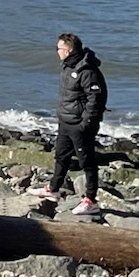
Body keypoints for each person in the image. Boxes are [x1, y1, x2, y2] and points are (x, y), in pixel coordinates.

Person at [31, 32, 107, 216]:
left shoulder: (87, 70)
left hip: (80, 124)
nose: (57, 51)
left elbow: (96, 98)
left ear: (68, 50)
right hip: (65, 120)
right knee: (61, 156)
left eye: (58, 48)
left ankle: (90, 200)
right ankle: (53, 189)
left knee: (87, 162)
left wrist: (86, 123)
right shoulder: (67, 66)